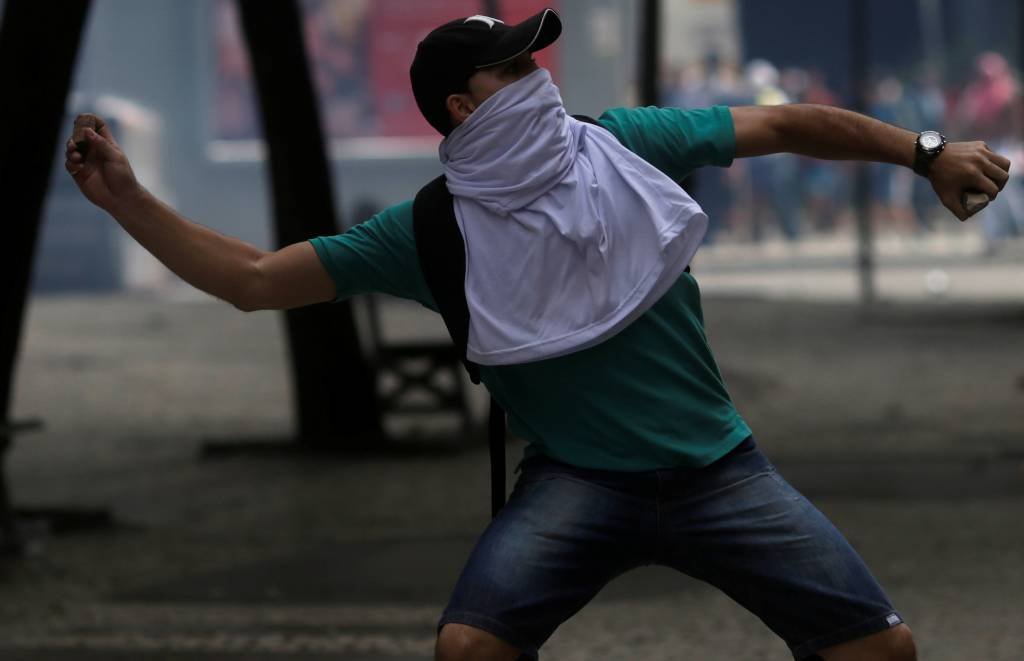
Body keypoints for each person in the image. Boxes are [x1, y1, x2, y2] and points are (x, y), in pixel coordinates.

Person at [64, 9, 1010, 661]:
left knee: (883, 648)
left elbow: (787, 123)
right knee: (468, 647)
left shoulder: (624, 145)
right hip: (578, 482)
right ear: (463, 110)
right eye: (511, 67)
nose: (539, 76)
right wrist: (128, 198)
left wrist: (924, 153)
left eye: (534, 58)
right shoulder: (429, 231)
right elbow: (255, 280)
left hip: (720, 469)